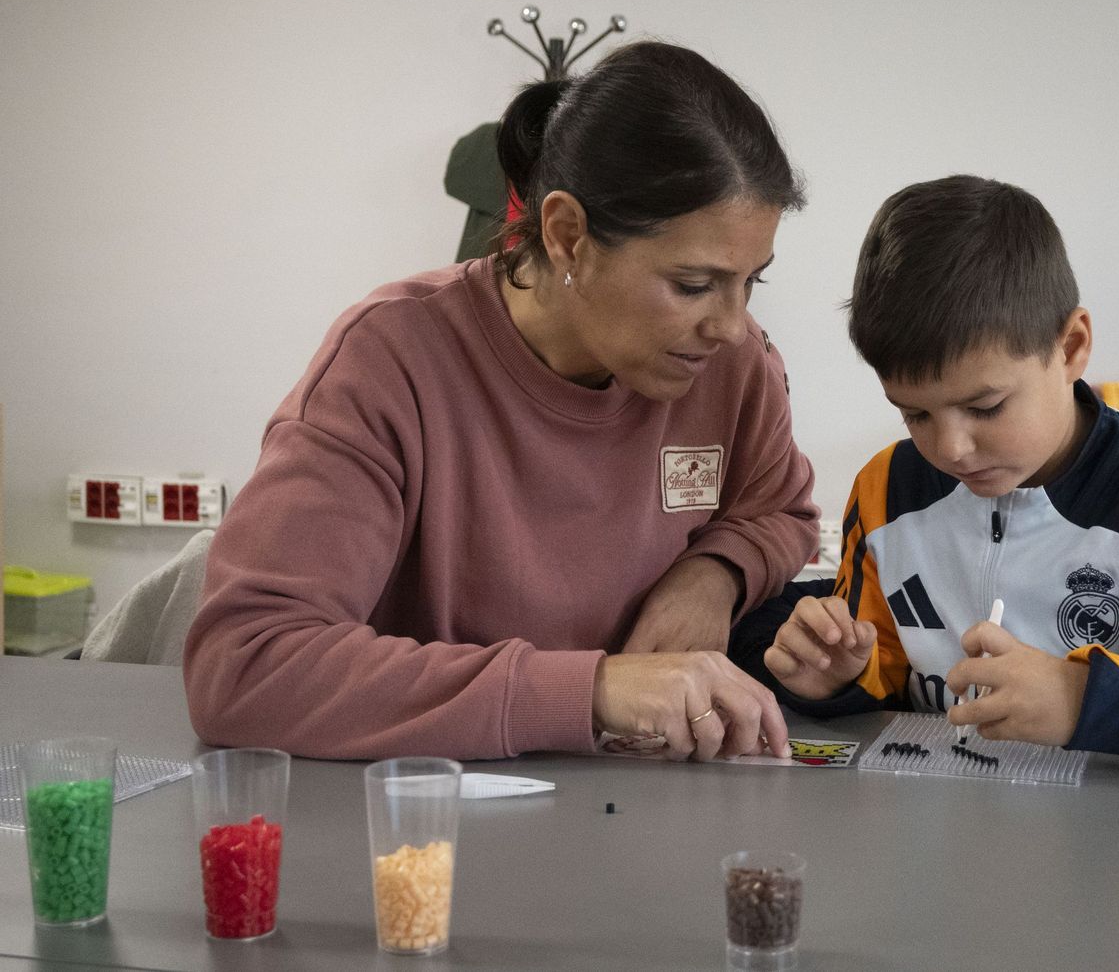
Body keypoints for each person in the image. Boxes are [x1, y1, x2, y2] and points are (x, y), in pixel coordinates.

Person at [185, 41, 818, 763]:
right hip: (432, 821)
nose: (731, 325)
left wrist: (716, 574)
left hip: (641, 808)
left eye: (751, 282)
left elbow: (778, 510)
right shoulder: (389, 361)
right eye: (693, 285)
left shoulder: (733, 366)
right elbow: (246, 667)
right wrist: (591, 690)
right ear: (567, 235)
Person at [735, 175, 1119, 771]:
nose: (950, 448)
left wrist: (1084, 698)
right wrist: (840, 677)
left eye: (986, 407)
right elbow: (886, 657)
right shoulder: (885, 488)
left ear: (1071, 347)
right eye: (914, 413)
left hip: (1118, 844)